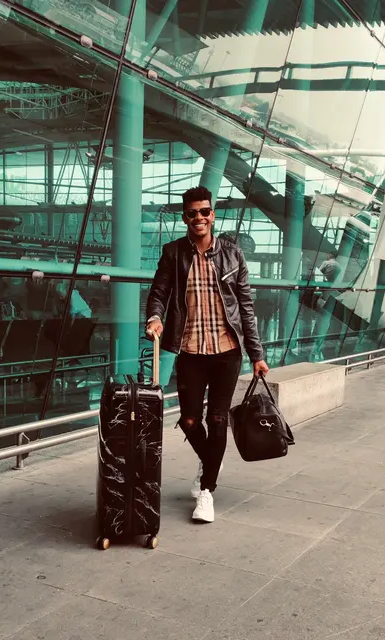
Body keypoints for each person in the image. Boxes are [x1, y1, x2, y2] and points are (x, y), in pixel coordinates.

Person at [146, 186, 269, 523]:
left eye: (204, 212)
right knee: (189, 420)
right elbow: (159, 291)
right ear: (184, 217)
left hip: (227, 351)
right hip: (190, 350)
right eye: (192, 213)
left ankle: (206, 490)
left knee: (216, 419)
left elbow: (245, 308)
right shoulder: (173, 253)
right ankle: (212, 457)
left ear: (212, 215)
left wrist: (257, 354)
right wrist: (155, 317)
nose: (198, 218)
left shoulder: (232, 255)